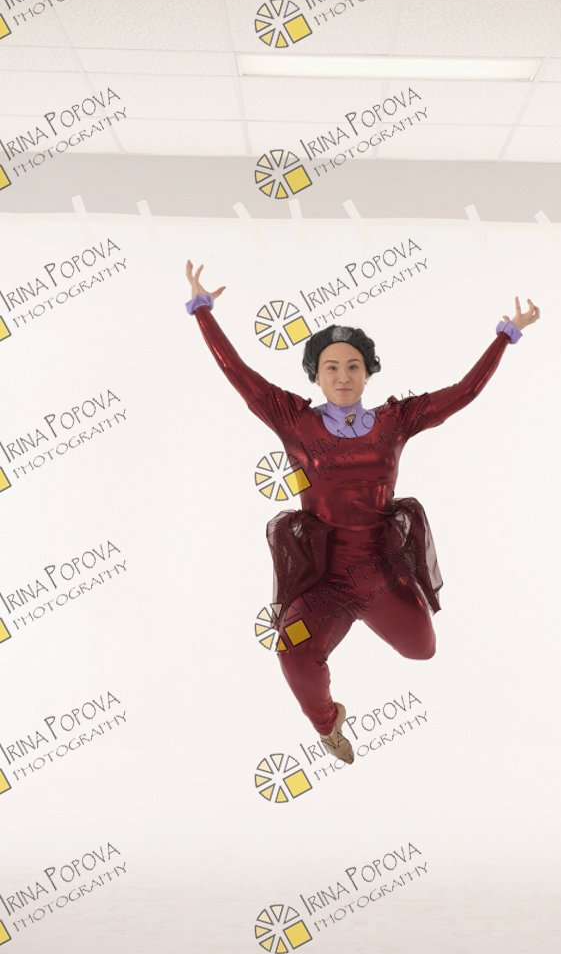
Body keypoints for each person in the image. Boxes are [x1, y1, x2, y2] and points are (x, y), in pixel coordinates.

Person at [184, 260, 540, 763]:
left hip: (379, 573)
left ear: (369, 372)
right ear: (315, 374)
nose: (343, 376)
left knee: (422, 650)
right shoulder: (294, 420)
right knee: (292, 649)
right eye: (331, 367)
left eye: (354, 366)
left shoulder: (397, 420)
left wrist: (506, 335)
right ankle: (328, 724)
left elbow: (464, 392)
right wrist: (202, 309)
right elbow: (236, 372)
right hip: (323, 580)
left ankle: (380, 610)